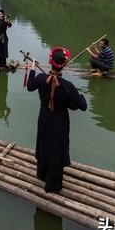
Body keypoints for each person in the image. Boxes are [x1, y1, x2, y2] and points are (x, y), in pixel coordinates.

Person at [27, 47, 87, 192]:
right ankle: (53, 184)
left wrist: (33, 68)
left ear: (50, 62)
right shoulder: (68, 86)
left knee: (44, 143)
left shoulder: (41, 79)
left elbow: (29, 86)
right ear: (64, 65)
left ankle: (42, 174)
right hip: (59, 121)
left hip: (44, 118)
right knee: (56, 148)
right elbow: (83, 106)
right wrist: (80, 96)